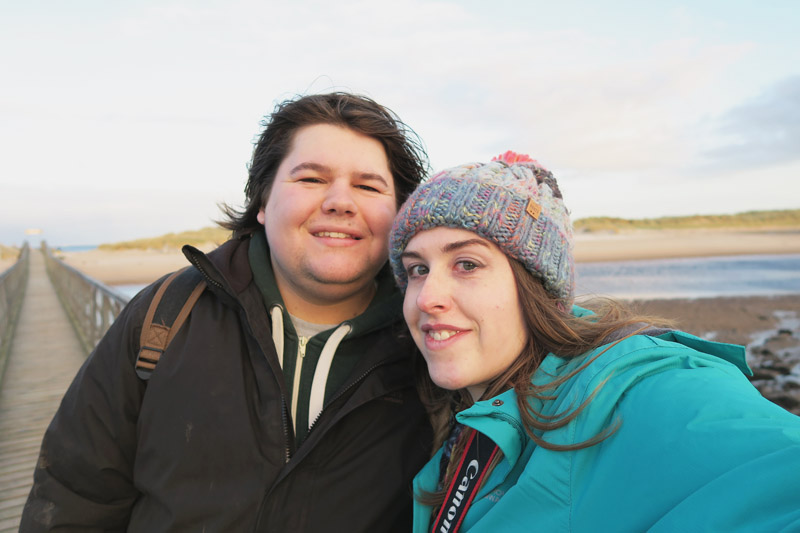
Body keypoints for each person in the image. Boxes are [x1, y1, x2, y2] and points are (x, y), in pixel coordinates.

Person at [21, 92, 433, 532]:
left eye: (368, 186)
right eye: (311, 179)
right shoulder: (168, 313)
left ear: (401, 215)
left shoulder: (435, 343)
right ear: (262, 201)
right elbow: (75, 493)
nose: (340, 202)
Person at [388, 151, 800, 532]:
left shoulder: (623, 389)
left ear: (535, 286)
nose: (426, 297)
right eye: (418, 269)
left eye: (466, 264)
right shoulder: (452, 421)